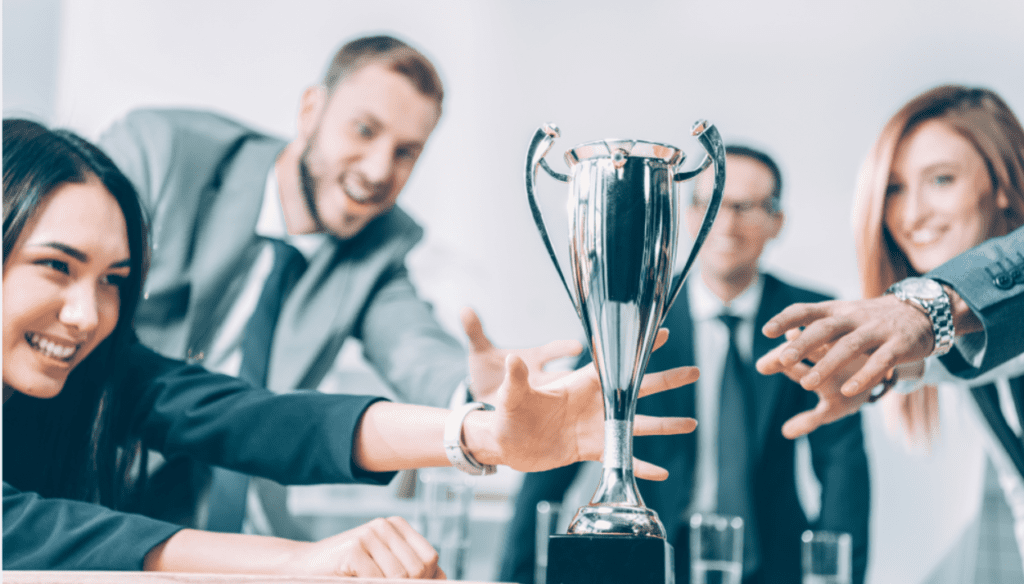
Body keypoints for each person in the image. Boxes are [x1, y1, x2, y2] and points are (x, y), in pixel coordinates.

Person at [1, 119, 699, 576]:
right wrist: (296, 564)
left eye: (115, 280)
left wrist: (483, 434)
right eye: (56, 266)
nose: (87, 313)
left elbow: (253, 417)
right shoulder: (169, 148)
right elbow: (23, 526)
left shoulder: (380, 249)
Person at [96, 34, 578, 535]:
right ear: (311, 110)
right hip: (85, 485)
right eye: (365, 130)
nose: (377, 171)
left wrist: (477, 391)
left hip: (224, 526)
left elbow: (414, 346)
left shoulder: (379, 247)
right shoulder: (163, 154)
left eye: (405, 152)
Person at [499, 146, 870, 584]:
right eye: (712, 205)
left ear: (776, 222)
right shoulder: (631, 313)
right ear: (690, 215)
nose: (727, 224)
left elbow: (842, 463)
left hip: (773, 563)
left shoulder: (806, 317)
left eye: (746, 208)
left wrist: (836, 575)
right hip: (654, 559)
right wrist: (513, 577)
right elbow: (557, 451)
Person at [758, 85, 1024, 575]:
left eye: (941, 179)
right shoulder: (987, 345)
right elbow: (960, 359)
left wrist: (925, 307)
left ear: (1004, 185)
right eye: (895, 188)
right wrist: (883, 372)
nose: (911, 215)